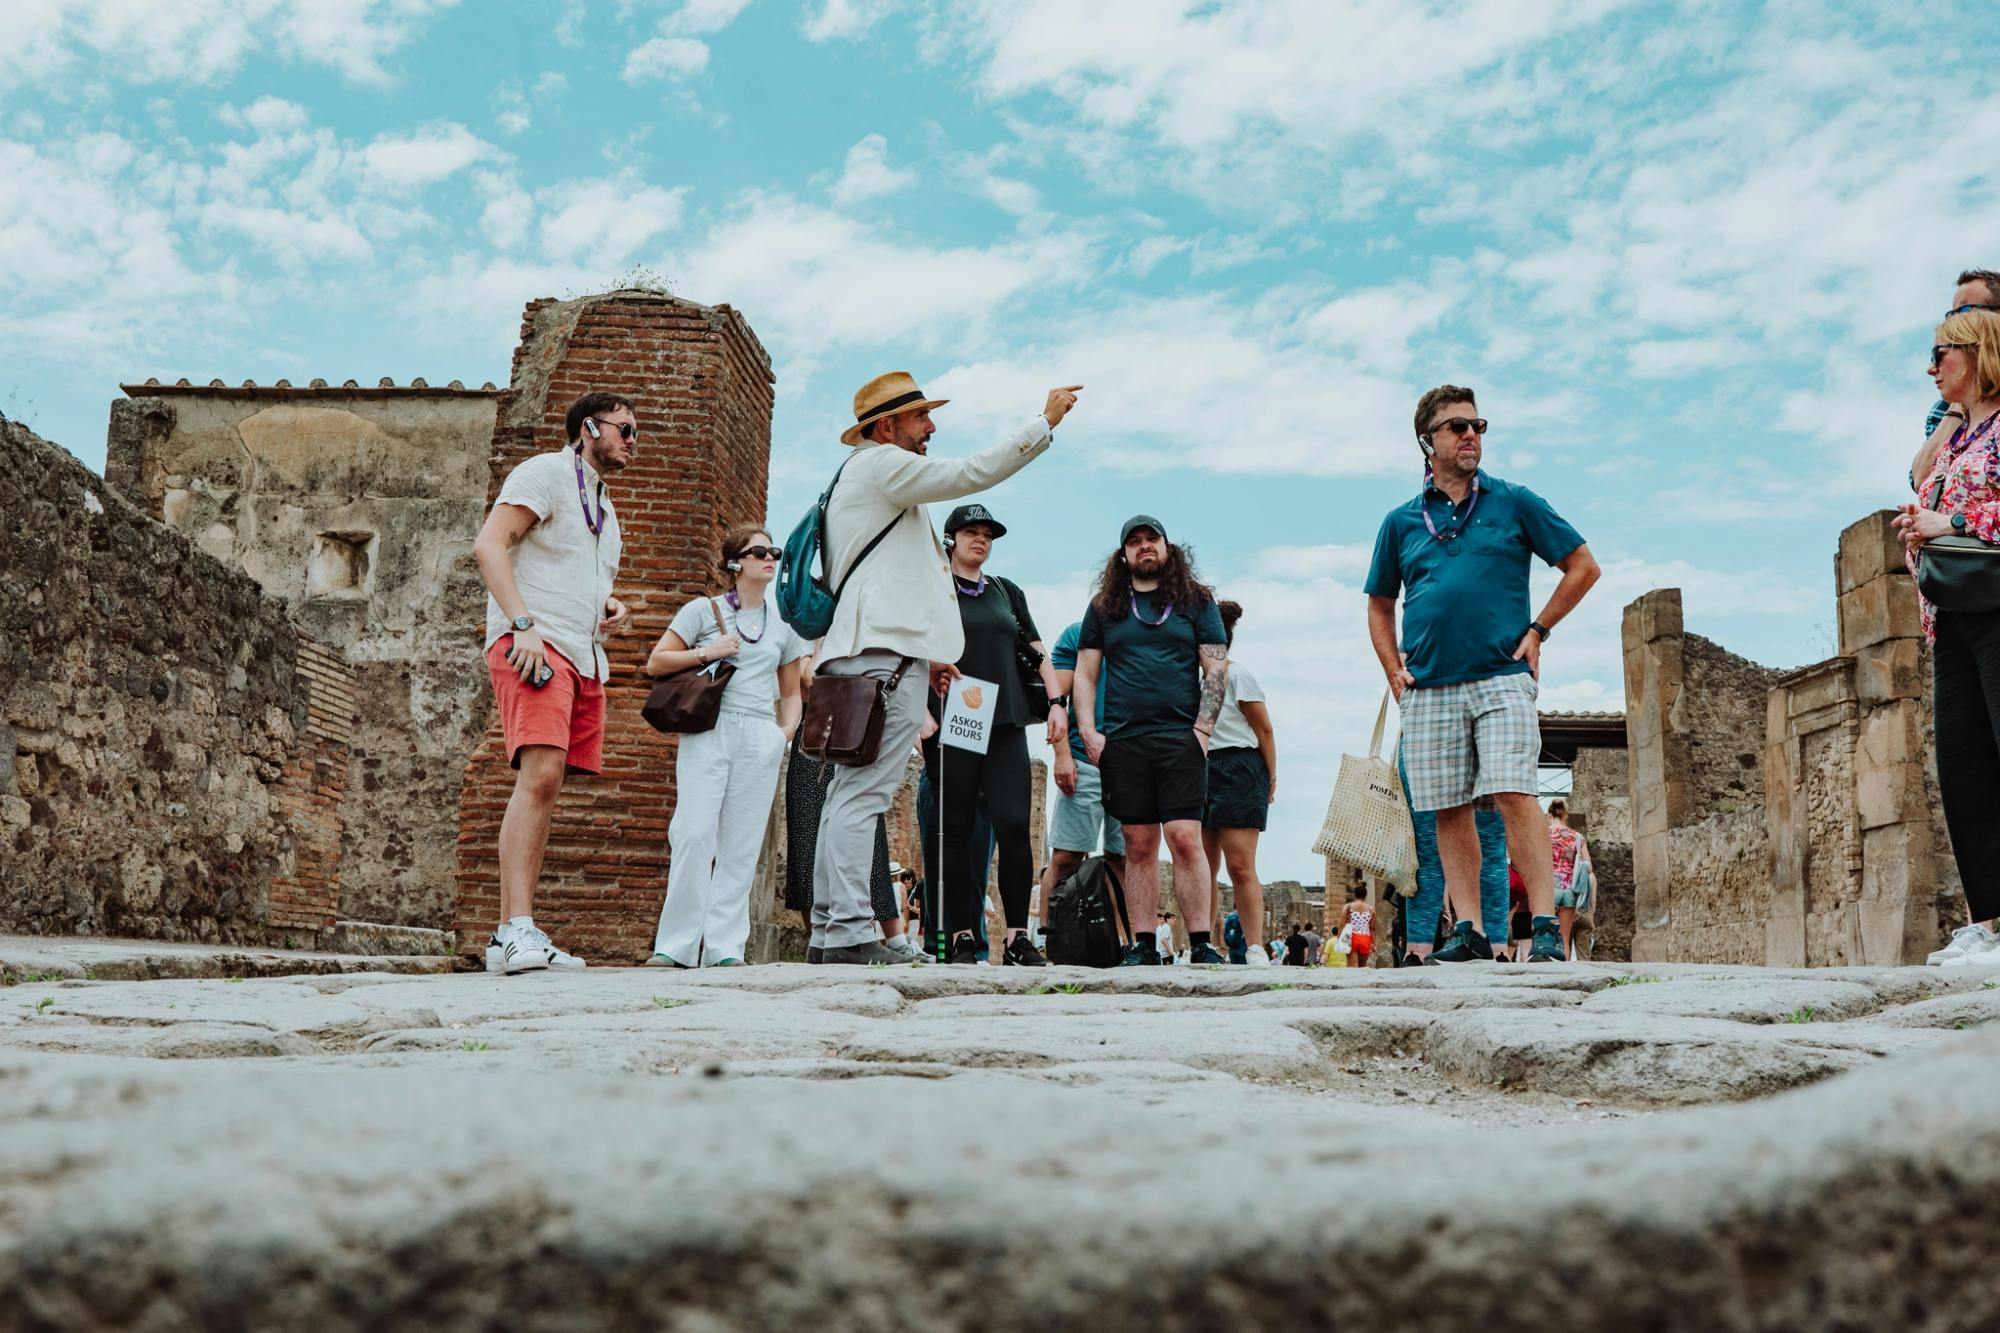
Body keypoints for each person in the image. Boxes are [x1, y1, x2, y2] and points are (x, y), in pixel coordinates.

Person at [809, 372, 1082, 965]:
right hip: (880, 657)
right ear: (887, 426)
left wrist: (927, 656)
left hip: (878, 652)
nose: (930, 428)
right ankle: (852, 933)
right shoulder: (881, 465)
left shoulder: (864, 479)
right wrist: (1045, 423)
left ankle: (830, 929)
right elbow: (970, 473)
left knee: (846, 794)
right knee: (864, 795)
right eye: (920, 419)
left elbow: (893, 579)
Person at [1365, 384, 1601, 965]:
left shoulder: (1513, 501)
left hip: (1500, 676)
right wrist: (1395, 671)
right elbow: (1379, 603)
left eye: (1478, 425)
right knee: (1448, 806)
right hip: (1430, 685)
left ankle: (1544, 925)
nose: (1471, 434)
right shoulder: (1401, 522)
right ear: (1428, 442)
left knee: (1514, 792)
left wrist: (1539, 629)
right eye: (1456, 426)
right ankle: (1467, 929)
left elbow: (1582, 565)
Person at [471, 391, 635, 974]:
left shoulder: (605, 506)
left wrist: (607, 604)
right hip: (535, 646)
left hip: (582, 652)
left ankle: (513, 933)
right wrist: (523, 626)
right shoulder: (544, 471)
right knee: (538, 775)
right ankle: (516, 928)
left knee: (549, 784)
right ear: (587, 427)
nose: (631, 441)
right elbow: (490, 544)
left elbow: (565, 567)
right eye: (623, 429)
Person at [642, 526, 807, 967]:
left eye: (774, 551)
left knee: (741, 843)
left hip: (759, 733)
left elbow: (791, 692)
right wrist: (708, 652)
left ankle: (724, 948)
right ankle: (675, 946)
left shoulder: (783, 626)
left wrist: (783, 733)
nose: (770, 557)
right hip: (708, 729)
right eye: (759, 552)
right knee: (694, 833)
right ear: (735, 563)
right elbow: (656, 662)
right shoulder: (703, 610)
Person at [1072, 515, 1229, 966]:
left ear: (1166, 547)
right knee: (1137, 842)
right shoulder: (1105, 607)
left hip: (1180, 736)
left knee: (1184, 837)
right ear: (1124, 554)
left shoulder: (1196, 601)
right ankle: (1142, 943)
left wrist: (1202, 728)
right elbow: (1085, 673)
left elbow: (1215, 667)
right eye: (1135, 542)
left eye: (1152, 540)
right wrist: (1088, 730)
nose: (1144, 547)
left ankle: (1200, 942)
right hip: (1124, 738)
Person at [1895, 307, 2000, 968]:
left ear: (1979, 351)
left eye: (1942, 353)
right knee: (1964, 770)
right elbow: (1926, 506)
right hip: (1952, 615)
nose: (1932, 368)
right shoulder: (1958, 439)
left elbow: (1960, 518)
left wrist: (1953, 518)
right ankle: (1989, 924)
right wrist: (1920, 529)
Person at [923, 503, 1065, 966]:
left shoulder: (1006, 592)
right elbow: (910, 647)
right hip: (955, 719)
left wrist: (1058, 703)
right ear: (951, 539)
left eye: (987, 533)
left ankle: (1018, 938)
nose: (980, 540)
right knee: (958, 830)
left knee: (1012, 825)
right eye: (970, 532)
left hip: (1004, 718)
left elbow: (1038, 652)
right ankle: (962, 935)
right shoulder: (932, 589)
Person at [783, 649, 924, 962]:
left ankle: (837, 935)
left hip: (848, 723)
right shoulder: (823, 635)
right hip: (825, 735)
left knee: (864, 836)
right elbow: (805, 680)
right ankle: (842, 934)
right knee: (826, 834)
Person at [1037, 619, 1129, 945]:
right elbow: (1056, 701)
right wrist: (1062, 755)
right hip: (1083, 758)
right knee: (1065, 857)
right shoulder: (1077, 636)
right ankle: (1045, 937)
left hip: (1131, 761)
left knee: (1122, 858)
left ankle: (1124, 941)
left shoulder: (1143, 636)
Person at [1200, 600, 1276, 965]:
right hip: (1198, 766)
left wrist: (1270, 776)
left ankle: (1255, 946)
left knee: (1240, 864)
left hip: (1238, 765)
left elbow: (1264, 729)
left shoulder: (1237, 674)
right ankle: (1202, 944)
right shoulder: (1188, 678)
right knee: (1202, 865)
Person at [1398, 755, 1511, 964]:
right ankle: (1497, 951)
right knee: (1490, 846)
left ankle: (1417, 952)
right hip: (1441, 739)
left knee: (1427, 850)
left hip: (1425, 740)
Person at [1912, 270, 2000, 496]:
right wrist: (1964, 403)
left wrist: (1955, 523)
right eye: (1951, 314)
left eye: (1965, 311)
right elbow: (1920, 480)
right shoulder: (1944, 408)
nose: (1955, 320)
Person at [1546, 798, 1594, 960]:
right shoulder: (1577, 837)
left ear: (1549, 815)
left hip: (1548, 890)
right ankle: (1564, 969)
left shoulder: (1542, 834)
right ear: (1565, 814)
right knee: (1563, 938)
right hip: (1569, 890)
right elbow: (1588, 867)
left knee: (1545, 935)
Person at [1340, 886, 1375, 968]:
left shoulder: (1348, 907)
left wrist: (1339, 938)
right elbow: (1372, 928)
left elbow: (1341, 924)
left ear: (1355, 895)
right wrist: (1373, 944)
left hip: (1351, 938)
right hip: (1365, 938)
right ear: (1365, 895)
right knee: (1362, 967)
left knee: (1352, 967)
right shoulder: (1371, 909)